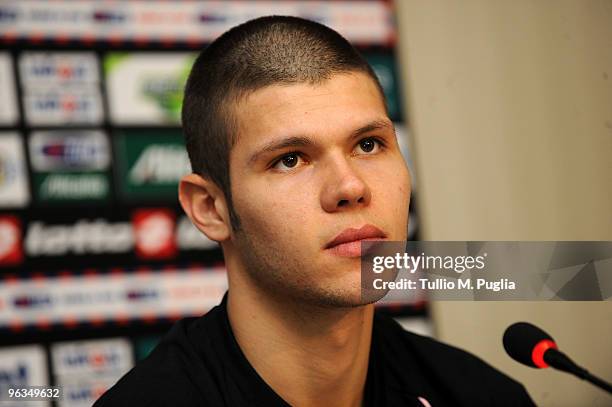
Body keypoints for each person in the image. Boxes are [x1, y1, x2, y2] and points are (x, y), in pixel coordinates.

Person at [94, 16, 535, 407]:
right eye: (290, 159)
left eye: (368, 145)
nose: (350, 187)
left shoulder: (480, 394)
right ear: (211, 209)